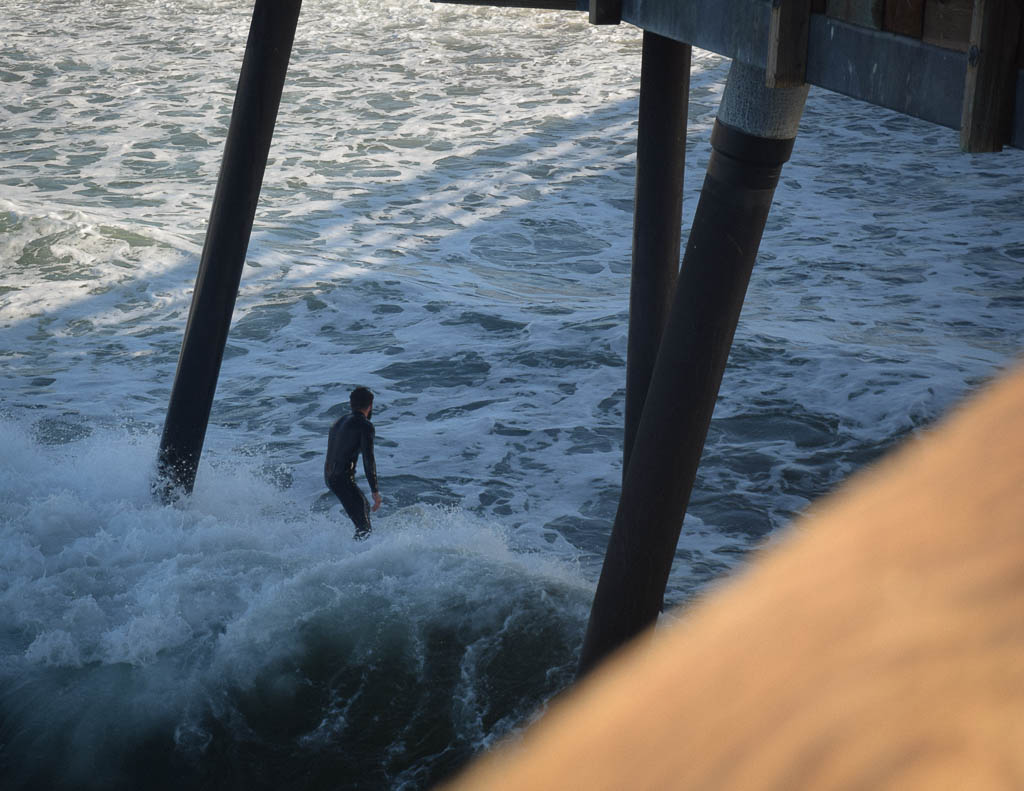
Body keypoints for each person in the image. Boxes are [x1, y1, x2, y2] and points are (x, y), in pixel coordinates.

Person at [325, 386, 382, 539]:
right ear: (370, 406)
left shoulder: (339, 422)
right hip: (341, 479)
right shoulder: (365, 425)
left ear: (351, 404)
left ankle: (354, 551)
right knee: (364, 528)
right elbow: (368, 459)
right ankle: (354, 558)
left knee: (363, 509)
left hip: (330, 477)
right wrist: (375, 492)